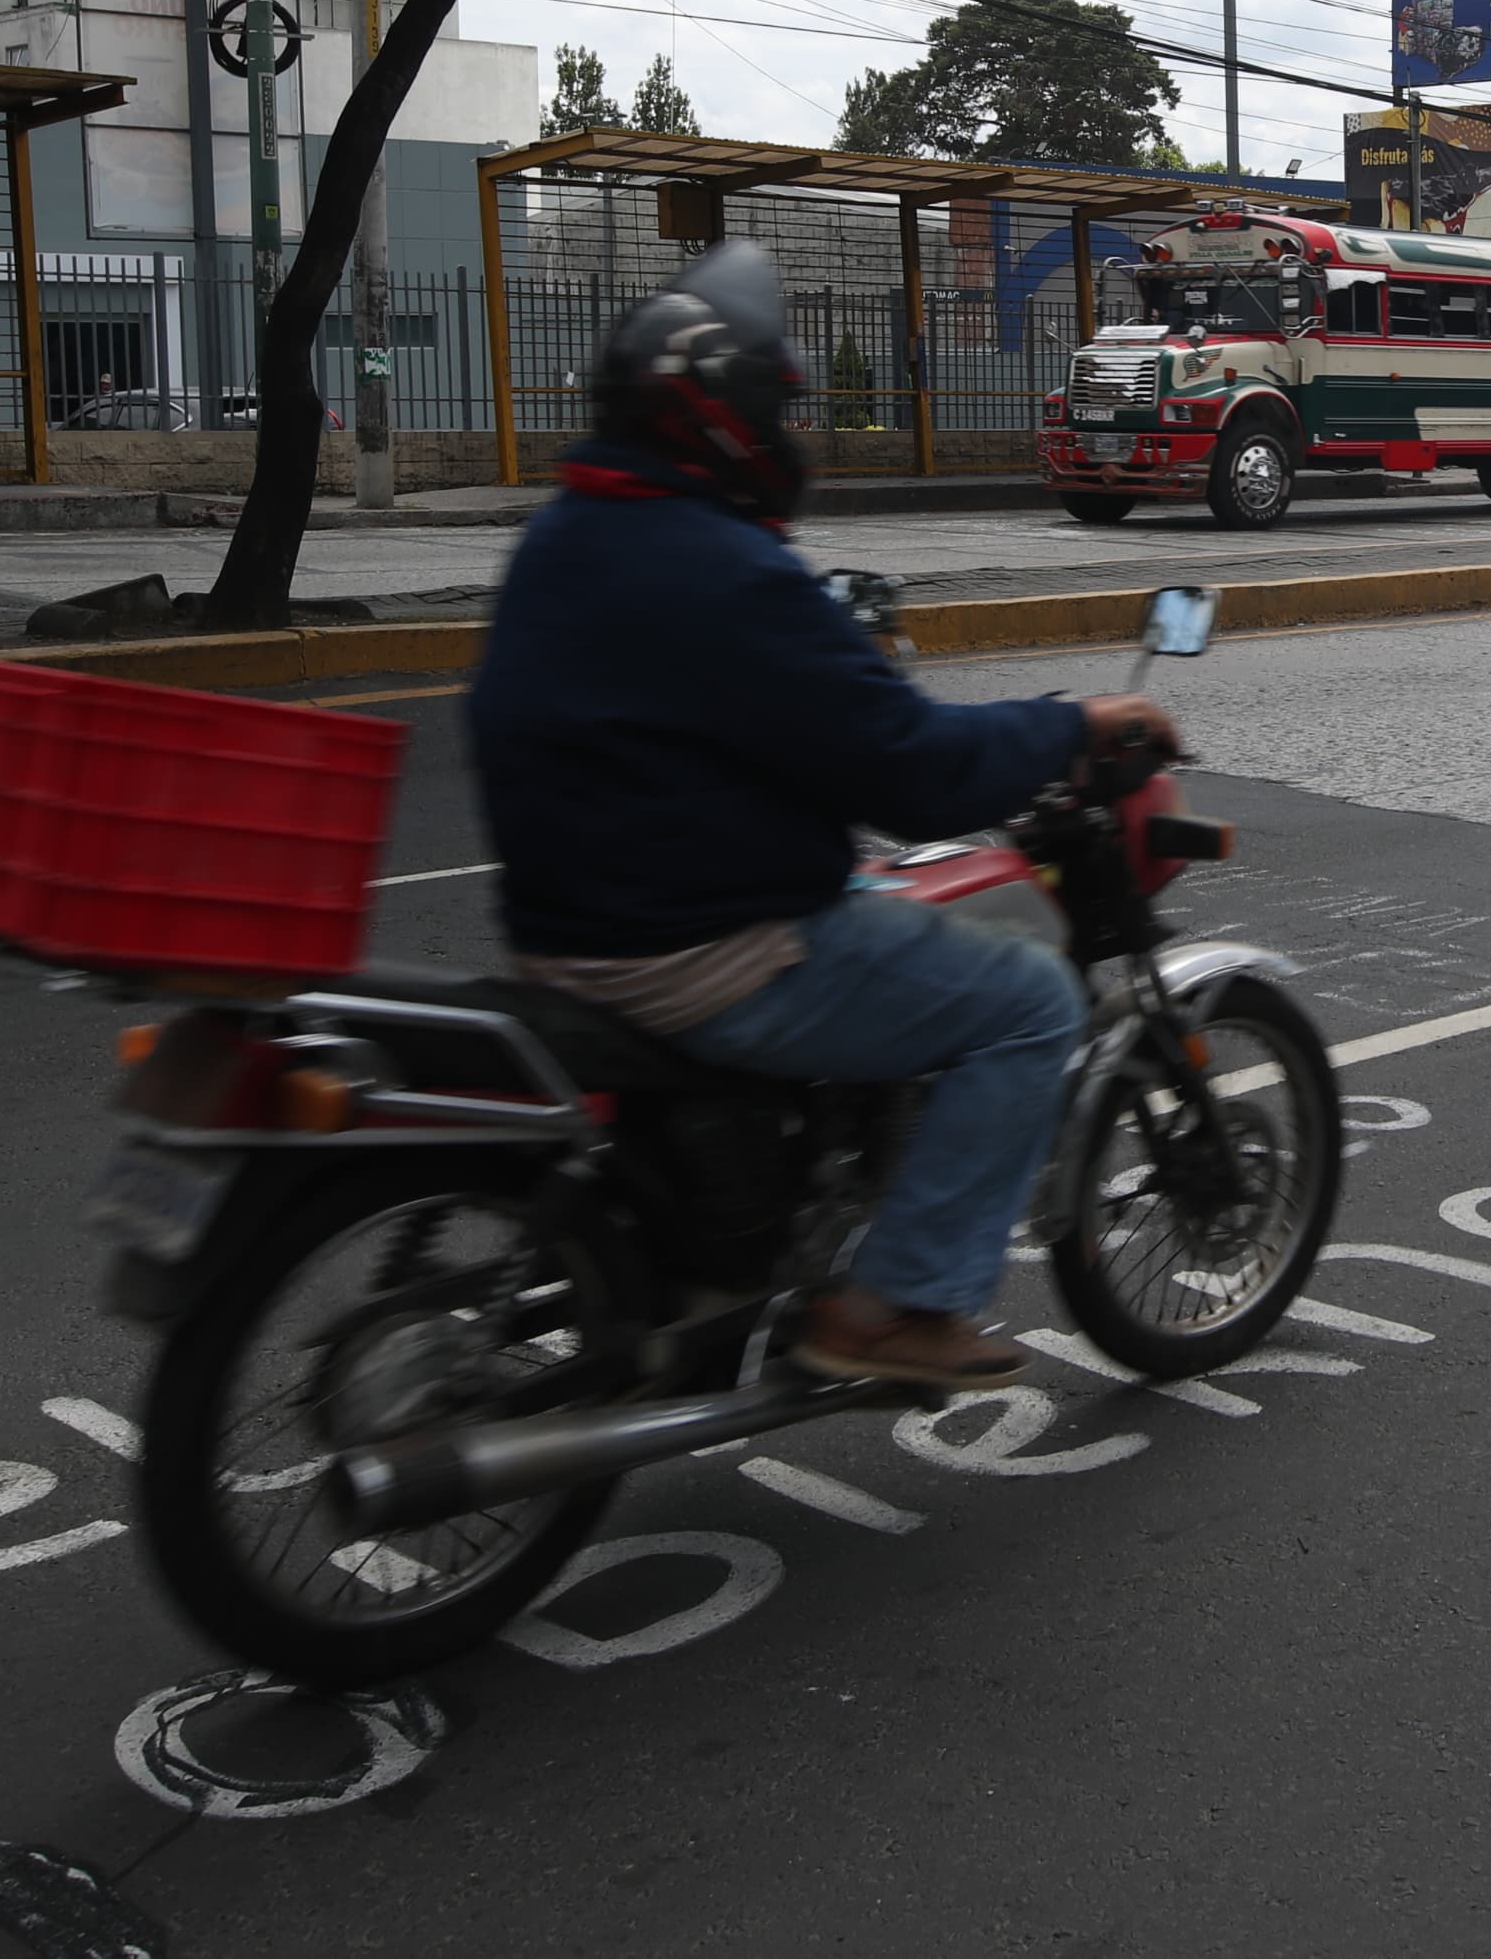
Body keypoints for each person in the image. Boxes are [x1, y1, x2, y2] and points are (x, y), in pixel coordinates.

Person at [468, 241, 1174, 1393]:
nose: (787, 431)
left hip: (567, 930)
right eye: (776, 407)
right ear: (724, 414)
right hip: (702, 948)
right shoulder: (723, 566)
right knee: (1027, 1003)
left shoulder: (567, 531)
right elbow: (910, 772)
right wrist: (1071, 723)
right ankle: (893, 1307)